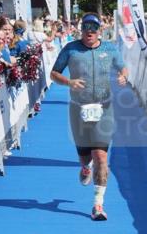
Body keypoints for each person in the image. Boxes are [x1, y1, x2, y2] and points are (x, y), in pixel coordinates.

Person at [50, 13, 128, 221]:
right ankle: (85, 167)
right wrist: (69, 82)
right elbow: (54, 74)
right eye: (86, 29)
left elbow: (123, 68)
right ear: (81, 30)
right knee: (85, 156)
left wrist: (123, 76)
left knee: (101, 156)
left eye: (94, 29)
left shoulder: (110, 48)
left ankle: (98, 205)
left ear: (99, 30)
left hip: (105, 108)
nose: (90, 33)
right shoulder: (71, 49)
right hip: (79, 109)